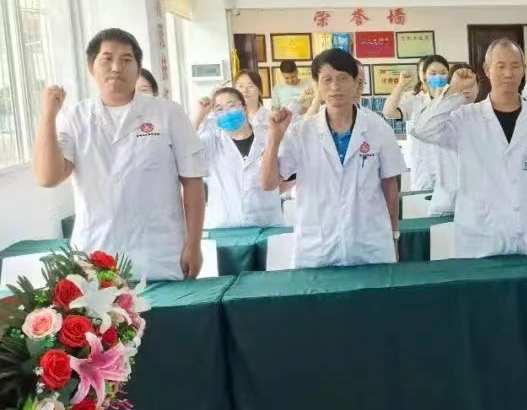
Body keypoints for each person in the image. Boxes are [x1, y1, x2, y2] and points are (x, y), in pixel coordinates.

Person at [412, 39, 527, 410]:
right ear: (487, 71)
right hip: (482, 232)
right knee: (485, 310)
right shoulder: (465, 118)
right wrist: (454, 92)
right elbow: (422, 128)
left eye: (514, 66)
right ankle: (485, 387)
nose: (507, 73)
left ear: (524, 71)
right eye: (499, 66)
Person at [33, 28, 207, 279]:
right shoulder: (74, 117)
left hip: (159, 254)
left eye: (126, 60)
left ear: (138, 68)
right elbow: (48, 177)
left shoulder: (168, 113)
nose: (116, 67)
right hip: (95, 254)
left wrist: (194, 244)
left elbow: (192, 181)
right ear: (91, 66)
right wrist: (49, 115)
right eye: (107, 59)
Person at [260, 48, 405, 268]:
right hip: (316, 247)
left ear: (355, 82)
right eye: (327, 79)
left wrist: (394, 234)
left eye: (342, 78)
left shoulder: (378, 128)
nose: (335, 86)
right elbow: (268, 183)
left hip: (370, 244)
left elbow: (390, 186)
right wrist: (274, 138)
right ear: (317, 85)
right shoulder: (301, 131)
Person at [192, 86, 286, 229]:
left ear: (244, 107)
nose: (226, 113)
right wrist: (199, 115)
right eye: (219, 109)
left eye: (231, 106)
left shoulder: (268, 137)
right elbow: (186, 150)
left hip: (266, 224)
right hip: (225, 227)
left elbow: (285, 176)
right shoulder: (212, 141)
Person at [383, 54, 450, 191]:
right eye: (433, 73)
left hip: (449, 167)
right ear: (423, 75)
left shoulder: (453, 98)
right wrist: (401, 85)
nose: (438, 77)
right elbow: (388, 112)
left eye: (442, 73)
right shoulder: (413, 99)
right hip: (423, 169)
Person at [428, 63, 479, 216]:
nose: (466, 88)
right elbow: (424, 129)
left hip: (479, 208)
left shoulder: (486, 118)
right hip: (447, 208)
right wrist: (450, 95)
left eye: (471, 83)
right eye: (460, 84)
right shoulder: (441, 120)